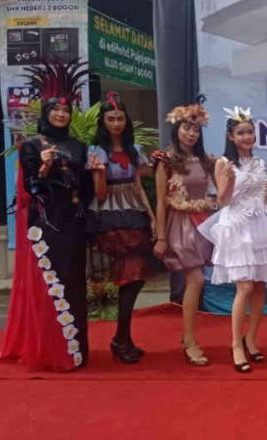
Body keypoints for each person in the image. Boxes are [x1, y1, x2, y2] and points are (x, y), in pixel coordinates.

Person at [0, 65, 93, 371]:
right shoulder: (31, 146)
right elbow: (30, 188)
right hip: (46, 224)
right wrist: (43, 167)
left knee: (74, 284)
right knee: (49, 286)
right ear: (46, 113)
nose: (61, 115)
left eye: (66, 111)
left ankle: (76, 352)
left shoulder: (79, 146)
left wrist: (92, 178)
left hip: (74, 222)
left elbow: (86, 187)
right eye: (56, 111)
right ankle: (50, 352)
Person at [198, 106, 267, 373]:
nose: (247, 137)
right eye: (241, 133)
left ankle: (251, 339)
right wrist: (230, 181)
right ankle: (236, 344)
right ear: (230, 136)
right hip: (236, 227)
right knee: (244, 287)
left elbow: (266, 196)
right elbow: (223, 201)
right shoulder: (223, 163)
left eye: (250, 132)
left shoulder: (260, 163)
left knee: (259, 286)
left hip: (260, 225)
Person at [87, 92, 155, 364]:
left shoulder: (134, 149)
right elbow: (100, 194)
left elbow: (139, 185)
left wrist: (152, 216)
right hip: (110, 214)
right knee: (131, 272)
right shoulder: (96, 150)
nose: (116, 123)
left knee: (136, 276)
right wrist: (99, 172)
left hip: (134, 209)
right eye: (111, 119)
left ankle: (122, 337)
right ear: (103, 122)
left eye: (120, 118)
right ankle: (121, 338)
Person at [151, 97, 217, 366]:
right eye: (186, 128)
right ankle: (189, 340)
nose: (191, 134)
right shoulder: (165, 160)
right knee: (196, 280)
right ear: (176, 128)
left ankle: (188, 336)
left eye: (196, 129)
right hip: (180, 224)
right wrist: (160, 236)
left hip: (202, 224)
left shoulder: (204, 159)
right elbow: (160, 199)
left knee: (196, 281)